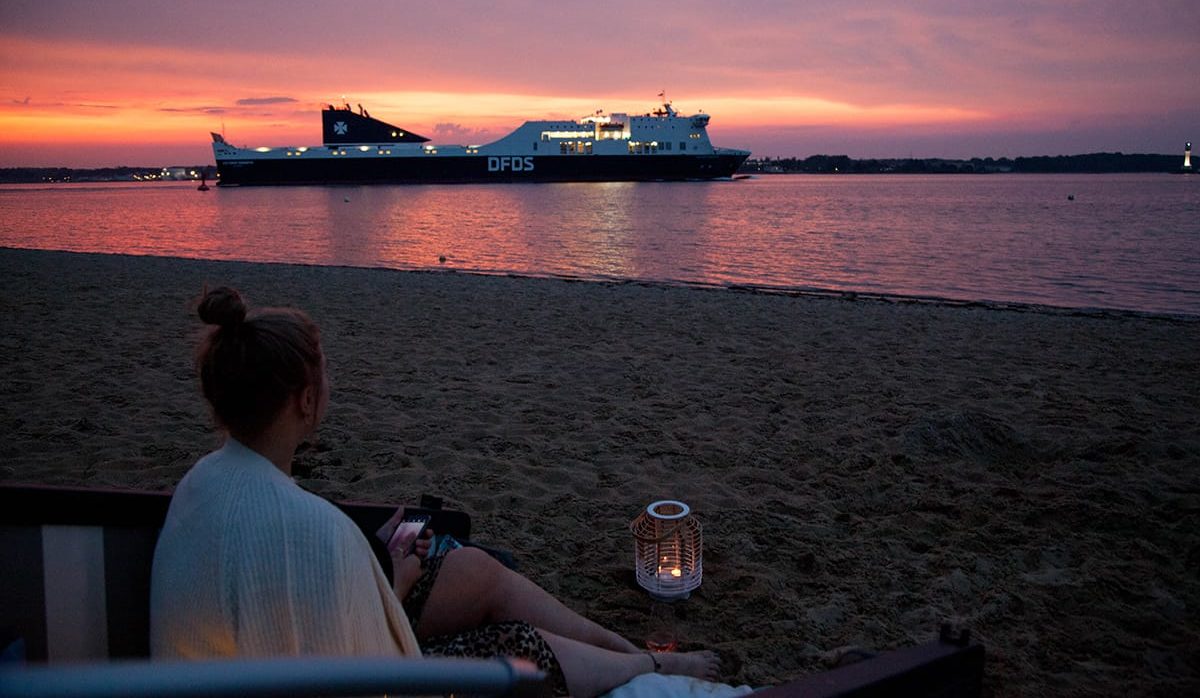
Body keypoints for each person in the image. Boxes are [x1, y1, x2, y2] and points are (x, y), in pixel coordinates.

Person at [150, 286, 719, 698]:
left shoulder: (203, 481)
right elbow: (367, 671)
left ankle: (628, 650)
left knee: (473, 569)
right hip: (342, 674)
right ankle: (648, 670)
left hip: (260, 657)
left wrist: (389, 578)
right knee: (518, 644)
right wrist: (390, 583)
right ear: (304, 401)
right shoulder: (313, 529)